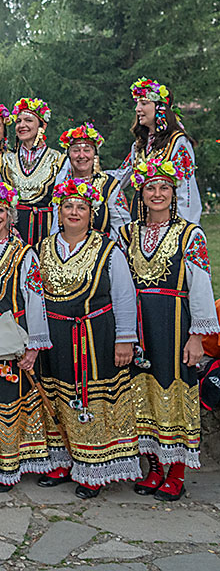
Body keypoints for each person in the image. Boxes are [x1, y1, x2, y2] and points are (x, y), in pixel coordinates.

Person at [119, 158, 219, 501]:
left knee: (173, 392)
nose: (157, 193)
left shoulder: (190, 234)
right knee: (140, 393)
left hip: (174, 321)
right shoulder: (128, 234)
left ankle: (176, 471)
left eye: (164, 187)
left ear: (174, 193)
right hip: (138, 323)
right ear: (141, 193)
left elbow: (201, 286)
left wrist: (197, 336)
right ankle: (153, 467)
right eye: (151, 187)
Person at [36, 178, 141, 499]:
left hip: (94, 337)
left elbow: (124, 295)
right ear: (58, 212)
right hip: (55, 337)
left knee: (92, 399)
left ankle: (94, 467)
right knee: (57, 396)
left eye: (81, 207)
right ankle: (64, 460)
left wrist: (125, 339)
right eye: (67, 206)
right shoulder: (43, 248)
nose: (73, 212)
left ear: (91, 213)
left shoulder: (108, 249)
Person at [0, 181, 54, 491]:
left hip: (12, 336)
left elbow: (35, 298)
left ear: (11, 215)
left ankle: (9, 467)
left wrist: (34, 345)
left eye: (0, 211)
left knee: (8, 400)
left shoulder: (24, 253)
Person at [114, 78, 201, 225]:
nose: (137, 109)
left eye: (144, 103)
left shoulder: (177, 142)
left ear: (160, 108)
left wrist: (185, 228)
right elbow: (121, 175)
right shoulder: (140, 145)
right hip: (142, 218)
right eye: (137, 104)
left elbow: (186, 189)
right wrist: (90, 178)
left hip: (168, 219)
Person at [50, 124, 131, 241]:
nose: (81, 155)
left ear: (94, 155)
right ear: (68, 155)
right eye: (76, 151)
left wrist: (110, 249)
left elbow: (121, 225)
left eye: (87, 150)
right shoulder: (59, 184)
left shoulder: (109, 185)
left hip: (100, 248)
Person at [2, 98, 62, 244]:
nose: (22, 125)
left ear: (43, 126)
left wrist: (55, 238)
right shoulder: (5, 159)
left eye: (28, 120)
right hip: (13, 232)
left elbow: (59, 204)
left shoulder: (58, 159)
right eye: (18, 121)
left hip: (45, 231)